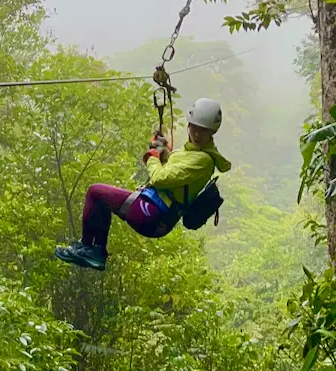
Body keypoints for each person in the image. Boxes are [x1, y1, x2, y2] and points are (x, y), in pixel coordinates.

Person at [55, 98, 231, 271]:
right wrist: (161, 149)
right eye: (195, 127)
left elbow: (160, 178)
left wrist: (153, 157)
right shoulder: (189, 153)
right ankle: (97, 250)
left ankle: (87, 246)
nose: (198, 134)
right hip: (154, 210)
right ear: (189, 125)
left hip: (154, 213)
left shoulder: (204, 160)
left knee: (95, 192)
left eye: (204, 130)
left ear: (212, 132)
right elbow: (172, 167)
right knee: (101, 199)